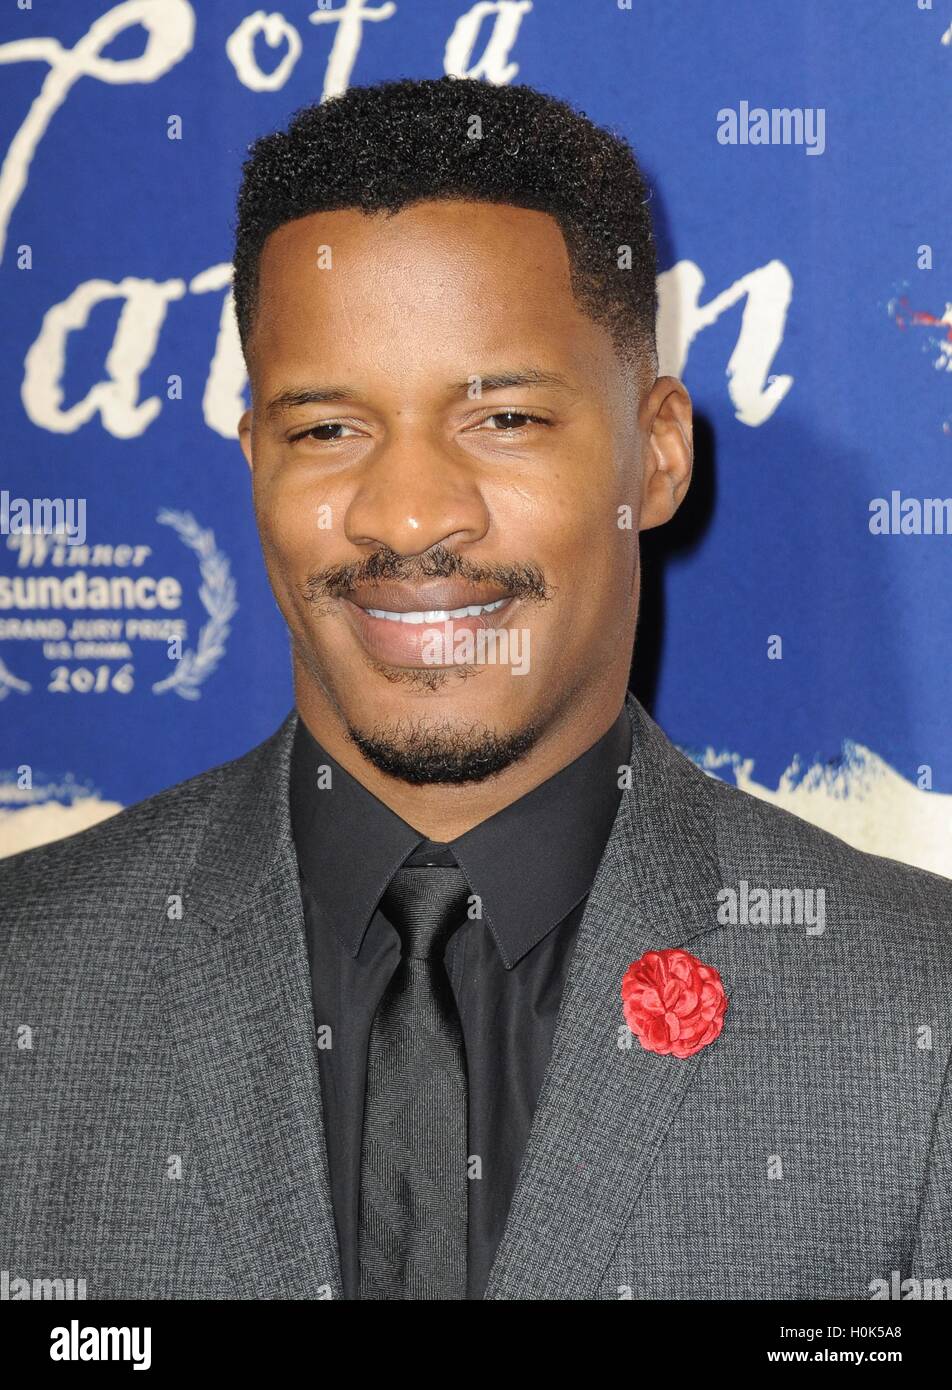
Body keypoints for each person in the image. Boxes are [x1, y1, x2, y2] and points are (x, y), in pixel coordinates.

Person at [2, 77, 950, 1302]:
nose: (407, 515)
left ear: (654, 454)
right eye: (327, 429)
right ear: (252, 463)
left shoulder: (915, 1023)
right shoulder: (27, 984)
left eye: (501, 416)